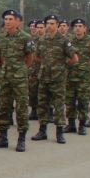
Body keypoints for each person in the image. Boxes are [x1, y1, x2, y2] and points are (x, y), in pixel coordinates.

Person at [31, 15, 78, 144]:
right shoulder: (42, 40)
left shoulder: (64, 40)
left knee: (58, 106)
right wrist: (47, 65)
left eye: (52, 23)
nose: (49, 26)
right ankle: (42, 131)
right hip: (44, 77)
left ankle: (59, 133)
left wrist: (61, 67)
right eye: (48, 23)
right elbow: (37, 57)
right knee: (42, 105)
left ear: (57, 25)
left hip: (58, 79)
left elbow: (74, 59)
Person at [0, 10, 34, 151]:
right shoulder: (0, 37)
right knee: (3, 107)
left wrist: (20, 69)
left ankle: (21, 139)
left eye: (10, 19)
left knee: (21, 107)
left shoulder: (25, 37)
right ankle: (3, 137)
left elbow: (30, 58)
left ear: (18, 21)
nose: (7, 21)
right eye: (6, 19)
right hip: (4, 77)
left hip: (20, 78)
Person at [64, 18, 90, 135]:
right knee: (69, 101)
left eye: (80, 26)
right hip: (70, 76)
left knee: (83, 101)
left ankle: (82, 125)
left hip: (84, 77)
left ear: (85, 28)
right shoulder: (68, 40)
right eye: (76, 26)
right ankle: (71, 124)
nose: (77, 28)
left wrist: (86, 67)